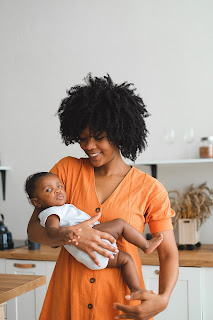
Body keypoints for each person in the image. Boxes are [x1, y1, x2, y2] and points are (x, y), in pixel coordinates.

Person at [27, 74, 179, 320]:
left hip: (120, 303)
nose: (88, 146)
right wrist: (74, 235)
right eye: (83, 138)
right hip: (68, 299)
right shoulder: (65, 171)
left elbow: (168, 253)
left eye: (98, 137)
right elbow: (34, 229)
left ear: (119, 133)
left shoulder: (149, 188)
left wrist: (163, 298)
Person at [25, 171, 163, 292]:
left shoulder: (62, 208)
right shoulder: (51, 213)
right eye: (48, 190)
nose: (57, 190)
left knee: (126, 259)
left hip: (95, 255)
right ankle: (145, 245)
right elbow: (51, 231)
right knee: (120, 223)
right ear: (36, 203)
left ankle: (136, 289)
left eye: (59, 186)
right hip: (91, 241)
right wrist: (65, 233)